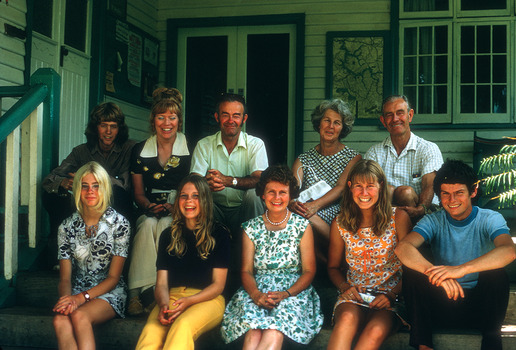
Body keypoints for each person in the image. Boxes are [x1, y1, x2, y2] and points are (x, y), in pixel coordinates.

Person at [395, 160, 516, 350]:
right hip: (441, 304)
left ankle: (492, 344)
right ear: (438, 196)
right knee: (413, 273)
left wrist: (460, 270)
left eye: (459, 193)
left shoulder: (489, 218)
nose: (452, 201)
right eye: (445, 194)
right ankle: (424, 345)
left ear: (473, 192)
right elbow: (403, 248)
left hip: (480, 309)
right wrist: (435, 274)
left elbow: (509, 251)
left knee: (496, 275)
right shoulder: (433, 220)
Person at [221, 165, 323, 349]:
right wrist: (255, 294)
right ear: (262, 194)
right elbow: (246, 270)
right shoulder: (250, 227)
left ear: (291, 195)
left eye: (283, 192)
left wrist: (287, 293)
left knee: (274, 330)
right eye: (271, 192)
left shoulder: (302, 226)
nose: (277, 198)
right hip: (257, 290)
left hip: (293, 292)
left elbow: (309, 271)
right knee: (253, 331)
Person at [135, 174, 230, 350]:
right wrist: (163, 304)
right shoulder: (168, 235)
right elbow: (161, 283)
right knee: (150, 332)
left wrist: (190, 301)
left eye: (195, 196)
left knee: (182, 326)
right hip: (173, 297)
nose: (189, 201)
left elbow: (218, 285)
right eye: (184, 196)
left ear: (205, 200)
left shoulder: (219, 233)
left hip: (208, 299)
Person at [327, 159, 411, 350]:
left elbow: (411, 269)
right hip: (354, 295)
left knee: (374, 331)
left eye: (370, 186)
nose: (364, 193)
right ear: (349, 187)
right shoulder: (340, 223)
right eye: (358, 186)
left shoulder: (398, 217)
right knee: (346, 319)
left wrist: (392, 294)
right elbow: (333, 267)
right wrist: (345, 287)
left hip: (391, 297)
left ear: (381, 186)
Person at [42, 102, 134, 262]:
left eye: (113, 126)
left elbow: (125, 186)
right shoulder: (81, 151)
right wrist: (63, 182)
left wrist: (91, 177)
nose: (108, 132)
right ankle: (60, 255)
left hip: (116, 204)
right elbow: (49, 181)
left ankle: (117, 258)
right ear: (95, 128)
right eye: (103, 126)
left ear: (120, 129)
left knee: (119, 195)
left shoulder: (129, 148)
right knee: (52, 196)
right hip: (86, 207)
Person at [52, 161, 130, 349]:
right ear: (77, 189)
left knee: (80, 316)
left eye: (96, 186)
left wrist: (80, 299)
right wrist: (66, 300)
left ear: (104, 188)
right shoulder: (66, 227)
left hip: (110, 292)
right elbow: (65, 278)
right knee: (60, 321)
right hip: (77, 289)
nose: (90, 191)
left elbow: (113, 277)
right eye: (84, 186)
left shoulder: (120, 224)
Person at [127, 87, 191, 315]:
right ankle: (137, 292)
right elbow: (138, 192)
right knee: (147, 225)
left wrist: (176, 207)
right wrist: (147, 206)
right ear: (153, 120)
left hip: (181, 207)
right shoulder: (139, 150)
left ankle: (157, 290)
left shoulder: (189, 149)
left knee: (165, 225)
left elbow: (194, 187)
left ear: (179, 121)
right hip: (149, 207)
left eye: (172, 117)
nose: (166, 123)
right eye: (161, 117)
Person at [291, 99, 361, 262]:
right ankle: (326, 264)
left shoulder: (352, 157)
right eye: (327, 120)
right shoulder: (304, 159)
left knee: (303, 217)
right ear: (319, 123)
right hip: (307, 208)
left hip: (338, 208)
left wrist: (314, 206)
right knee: (297, 214)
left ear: (343, 128)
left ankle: (331, 263)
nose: (331, 126)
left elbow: (341, 188)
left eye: (337, 123)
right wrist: (293, 202)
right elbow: (292, 190)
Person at [190, 92, 268, 236]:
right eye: (225, 115)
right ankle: (202, 252)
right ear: (217, 117)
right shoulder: (204, 145)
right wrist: (207, 183)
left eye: (236, 115)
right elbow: (194, 181)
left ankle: (255, 247)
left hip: (243, 208)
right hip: (214, 208)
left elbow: (261, 180)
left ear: (244, 119)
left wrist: (230, 181)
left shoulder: (256, 144)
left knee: (254, 195)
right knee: (198, 195)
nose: (230, 120)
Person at [364, 95, 443, 219]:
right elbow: (367, 188)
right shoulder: (374, 152)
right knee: (387, 190)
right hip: (384, 215)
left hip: (423, 214)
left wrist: (421, 209)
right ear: (383, 121)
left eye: (400, 113)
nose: (395, 119)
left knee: (405, 193)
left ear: (410, 115)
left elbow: (430, 184)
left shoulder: (428, 148)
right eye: (389, 115)